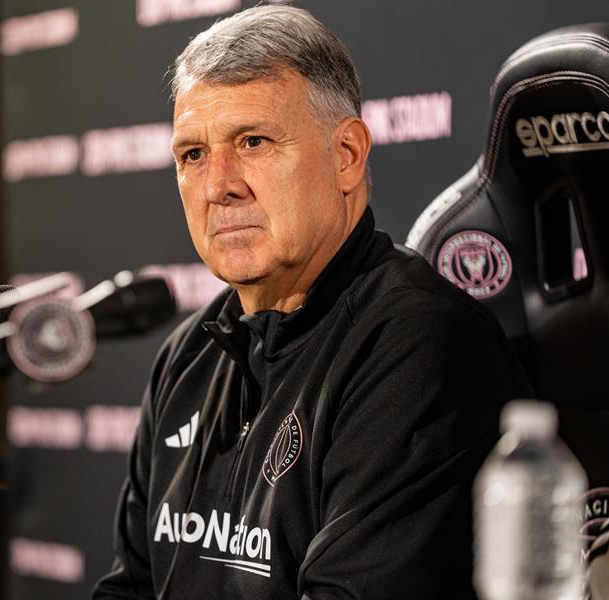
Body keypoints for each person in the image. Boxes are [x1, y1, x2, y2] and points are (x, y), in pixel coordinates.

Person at [93, 6, 532, 599]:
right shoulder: (187, 356)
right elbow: (129, 589)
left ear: (346, 154)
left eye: (253, 142)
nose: (218, 185)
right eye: (193, 154)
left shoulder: (419, 348)